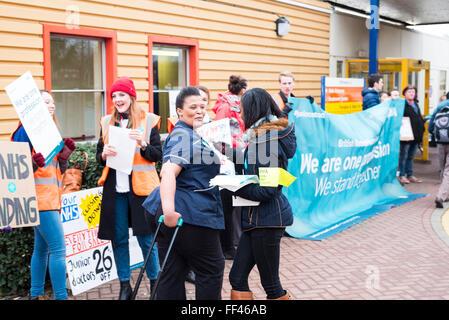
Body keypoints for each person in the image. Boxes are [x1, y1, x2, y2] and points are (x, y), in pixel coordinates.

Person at [144, 86, 225, 300]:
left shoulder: (195, 133)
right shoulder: (183, 135)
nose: (199, 111)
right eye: (193, 107)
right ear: (180, 112)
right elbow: (169, 170)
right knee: (210, 270)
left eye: (202, 106)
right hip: (188, 215)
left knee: (172, 272)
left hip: (179, 212)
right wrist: (169, 211)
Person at [96, 76, 162, 300]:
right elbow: (99, 156)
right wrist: (104, 154)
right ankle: (125, 286)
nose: (117, 99)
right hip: (116, 192)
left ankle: (156, 283)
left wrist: (143, 143)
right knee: (119, 238)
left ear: (132, 97)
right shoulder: (106, 122)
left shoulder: (149, 120)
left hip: (141, 191)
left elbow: (157, 155)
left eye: (121, 95)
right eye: (114, 96)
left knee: (146, 239)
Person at [228, 88, 296, 300]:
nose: (240, 115)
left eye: (242, 110)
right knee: (237, 277)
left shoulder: (267, 141)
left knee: (271, 284)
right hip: (255, 220)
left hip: (266, 221)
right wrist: (229, 153)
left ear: (253, 110)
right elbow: (254, 169)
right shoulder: (261, 137)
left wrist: (235, 186)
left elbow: (267, 190)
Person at [11, 90, 76, 300]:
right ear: (35, 106)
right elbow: (14, 170)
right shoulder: (24, 131)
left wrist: (64, 157)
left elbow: (57, 169)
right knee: (58, 250)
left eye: (52, 102)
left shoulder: (49, 133)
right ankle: (60, 297)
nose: (52, 105)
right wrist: (31, 163)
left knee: (42, 250)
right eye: (46, 102)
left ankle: (35, 295)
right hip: (40, 200)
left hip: (50, 199)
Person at [213, 75, 247, 260]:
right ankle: (226, 246)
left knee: (235, 204)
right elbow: (219, 135)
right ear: (240, 91)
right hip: (229, 160)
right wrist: (230, 155)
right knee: (226, 205)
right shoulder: (226, 106)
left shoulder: (236, 104)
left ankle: (232, 241)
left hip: (238, 156)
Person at [398, 85, 425, 184]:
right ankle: (401, 175)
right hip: (406, 136)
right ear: (404, 93)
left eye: (413, 92)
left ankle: (410, 175)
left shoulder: (416, 104)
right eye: (409, 92)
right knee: (403, 156)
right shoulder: (402, 104)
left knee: (411, 156)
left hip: (416, 135)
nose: (411, 94)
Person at [428, 96, 449, 207]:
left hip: (440, 141)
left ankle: (445, 194)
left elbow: (431, 126)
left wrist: (436, 136)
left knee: (442, 168)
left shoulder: (441, 106)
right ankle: (441, 196)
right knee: (448, 170)